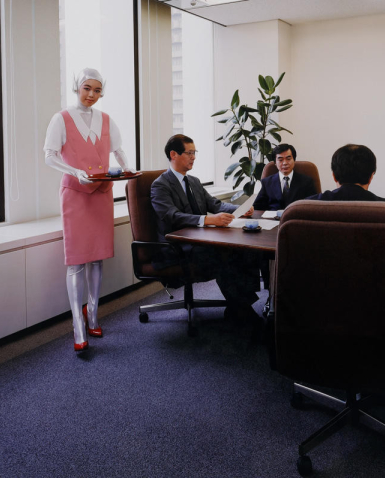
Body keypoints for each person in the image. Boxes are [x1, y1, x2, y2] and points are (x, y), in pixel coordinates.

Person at [44, 68, 135, 352]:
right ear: (76, 87)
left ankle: (93, 313)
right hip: (75, 195)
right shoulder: (61, 118)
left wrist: (128, 168)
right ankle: (77, 325)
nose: (92, 95)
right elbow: (49, 155)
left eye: (97, 90)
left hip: (101, 193)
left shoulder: (106, 119)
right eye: (87, 88)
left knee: (97, 259)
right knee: (76, 261)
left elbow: (118, 150)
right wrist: (74, 172)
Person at [151, 134, 260, 320]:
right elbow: (172, 216)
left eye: (195, 152)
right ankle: (240, 308)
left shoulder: (193, 181)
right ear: (173, 154)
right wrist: (208, 220)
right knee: (223, 254)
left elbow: (215, 205)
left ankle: (239, 305)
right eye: (189, 153)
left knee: (244, 249)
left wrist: (240, 209)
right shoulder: (160, 185)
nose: (194, 157)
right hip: (177, 247)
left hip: (201, 241)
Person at [252, 144, 317, 211]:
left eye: (288, 159)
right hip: (272, 219)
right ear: (275, 163)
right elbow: (256, 207)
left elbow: (313, 206)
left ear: (294, 160)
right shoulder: (266, 183)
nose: (285, 163)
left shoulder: (307, 182)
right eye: (280, 160)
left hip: (296, 218)